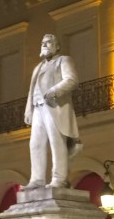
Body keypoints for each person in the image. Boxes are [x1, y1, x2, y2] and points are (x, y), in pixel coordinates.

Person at [23, 33, 80, 189]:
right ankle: (37, 179)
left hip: (55, 106)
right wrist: (28, 110)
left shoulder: (64, 60)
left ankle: (59, 178)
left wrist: (54, 91)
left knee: (57, 141)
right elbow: (31, 90)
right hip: (38, 108)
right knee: (35, 144)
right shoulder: (37, 68)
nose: (44, 45)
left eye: (48, 42)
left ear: (57, 46)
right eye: (43, 43)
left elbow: (71, 80)